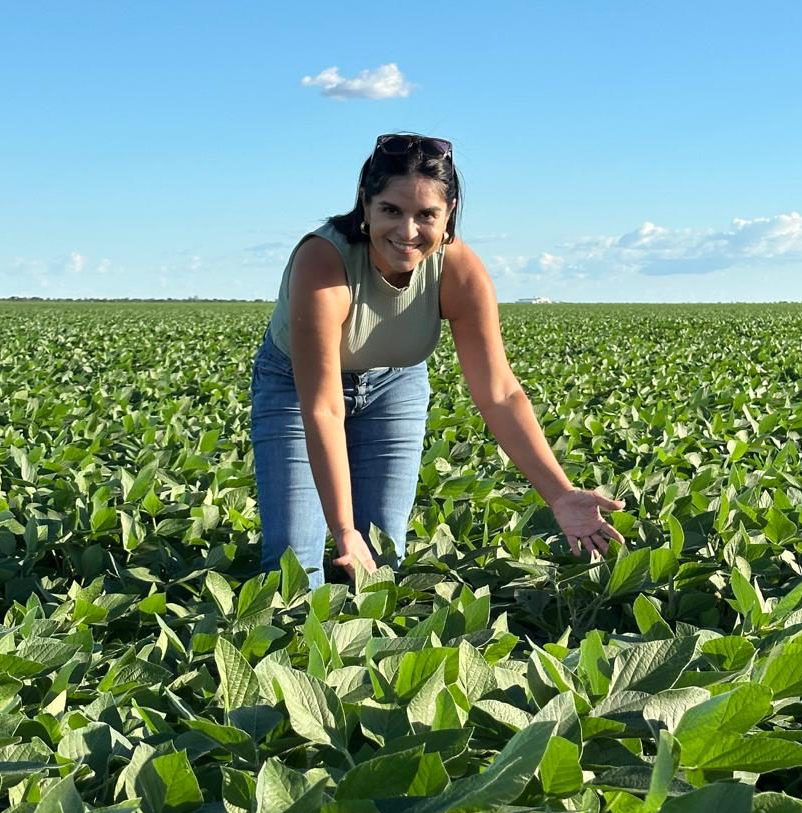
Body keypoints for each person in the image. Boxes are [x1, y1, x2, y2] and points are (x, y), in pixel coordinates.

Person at [250, 131, 626, 588]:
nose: (407, 232)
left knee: (383, 556)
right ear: (365, 206)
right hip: (295, 388)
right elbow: (323, 407)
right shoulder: (323, 261)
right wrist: (343, 530)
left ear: (448, 216)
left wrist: (560, 494)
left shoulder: (459, 271)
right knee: (295, 561)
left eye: (425, 215)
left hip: (395, 385)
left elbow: (500, 394)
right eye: (391, 210)